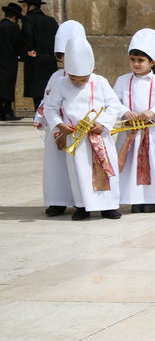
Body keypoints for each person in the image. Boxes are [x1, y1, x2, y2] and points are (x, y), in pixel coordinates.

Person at [44, 37, 122, 221]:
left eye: (83, 79)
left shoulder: (101, 82)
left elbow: (114, 106)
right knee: (79, 172)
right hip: (75, 137)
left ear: (92, 69)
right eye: (74, 79)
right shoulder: (60, 83)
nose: (79, 83)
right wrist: (60, 125)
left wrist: (102, 123)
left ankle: (108, 206)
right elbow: (50, 107)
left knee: (105, 169)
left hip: (99, 135)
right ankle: (82, 206)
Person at [113, 28, 155, 213]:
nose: (136, 64)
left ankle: (151, 198)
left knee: (151, 165)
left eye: (141, 60)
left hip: (149, 132)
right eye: (133, 60)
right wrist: (125, 112)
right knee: (129, 165)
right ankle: (133, 198)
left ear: (152, 62)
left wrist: (153, 112)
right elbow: (113, 102)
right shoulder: (122, 80)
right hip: (128, 131)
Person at [37, 19, 85, 216]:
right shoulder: (56, 77)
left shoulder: (86, 78)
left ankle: (79, 199)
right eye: (62, 57)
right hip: (57, 128)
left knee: (79, 165)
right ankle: (57, 200)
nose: (66, 61)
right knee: (56, 166)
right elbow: (46, 99)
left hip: (77, 130)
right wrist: (40, 118)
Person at [20, 0, 59, 111]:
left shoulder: (28, 20)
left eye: (24, 6)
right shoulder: (51, 20)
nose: (23, 9)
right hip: (50, 59)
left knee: (37, 90)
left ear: (30, 6)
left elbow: (27, 35)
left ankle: (39, 113)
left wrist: (29, 49)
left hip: (35, 59)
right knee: (48, 88)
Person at [0, 2, 22, 120]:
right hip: (9, 61)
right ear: (15, 16)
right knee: (8, 86)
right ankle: (7, 112)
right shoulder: (13, 27)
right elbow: (18, 45)